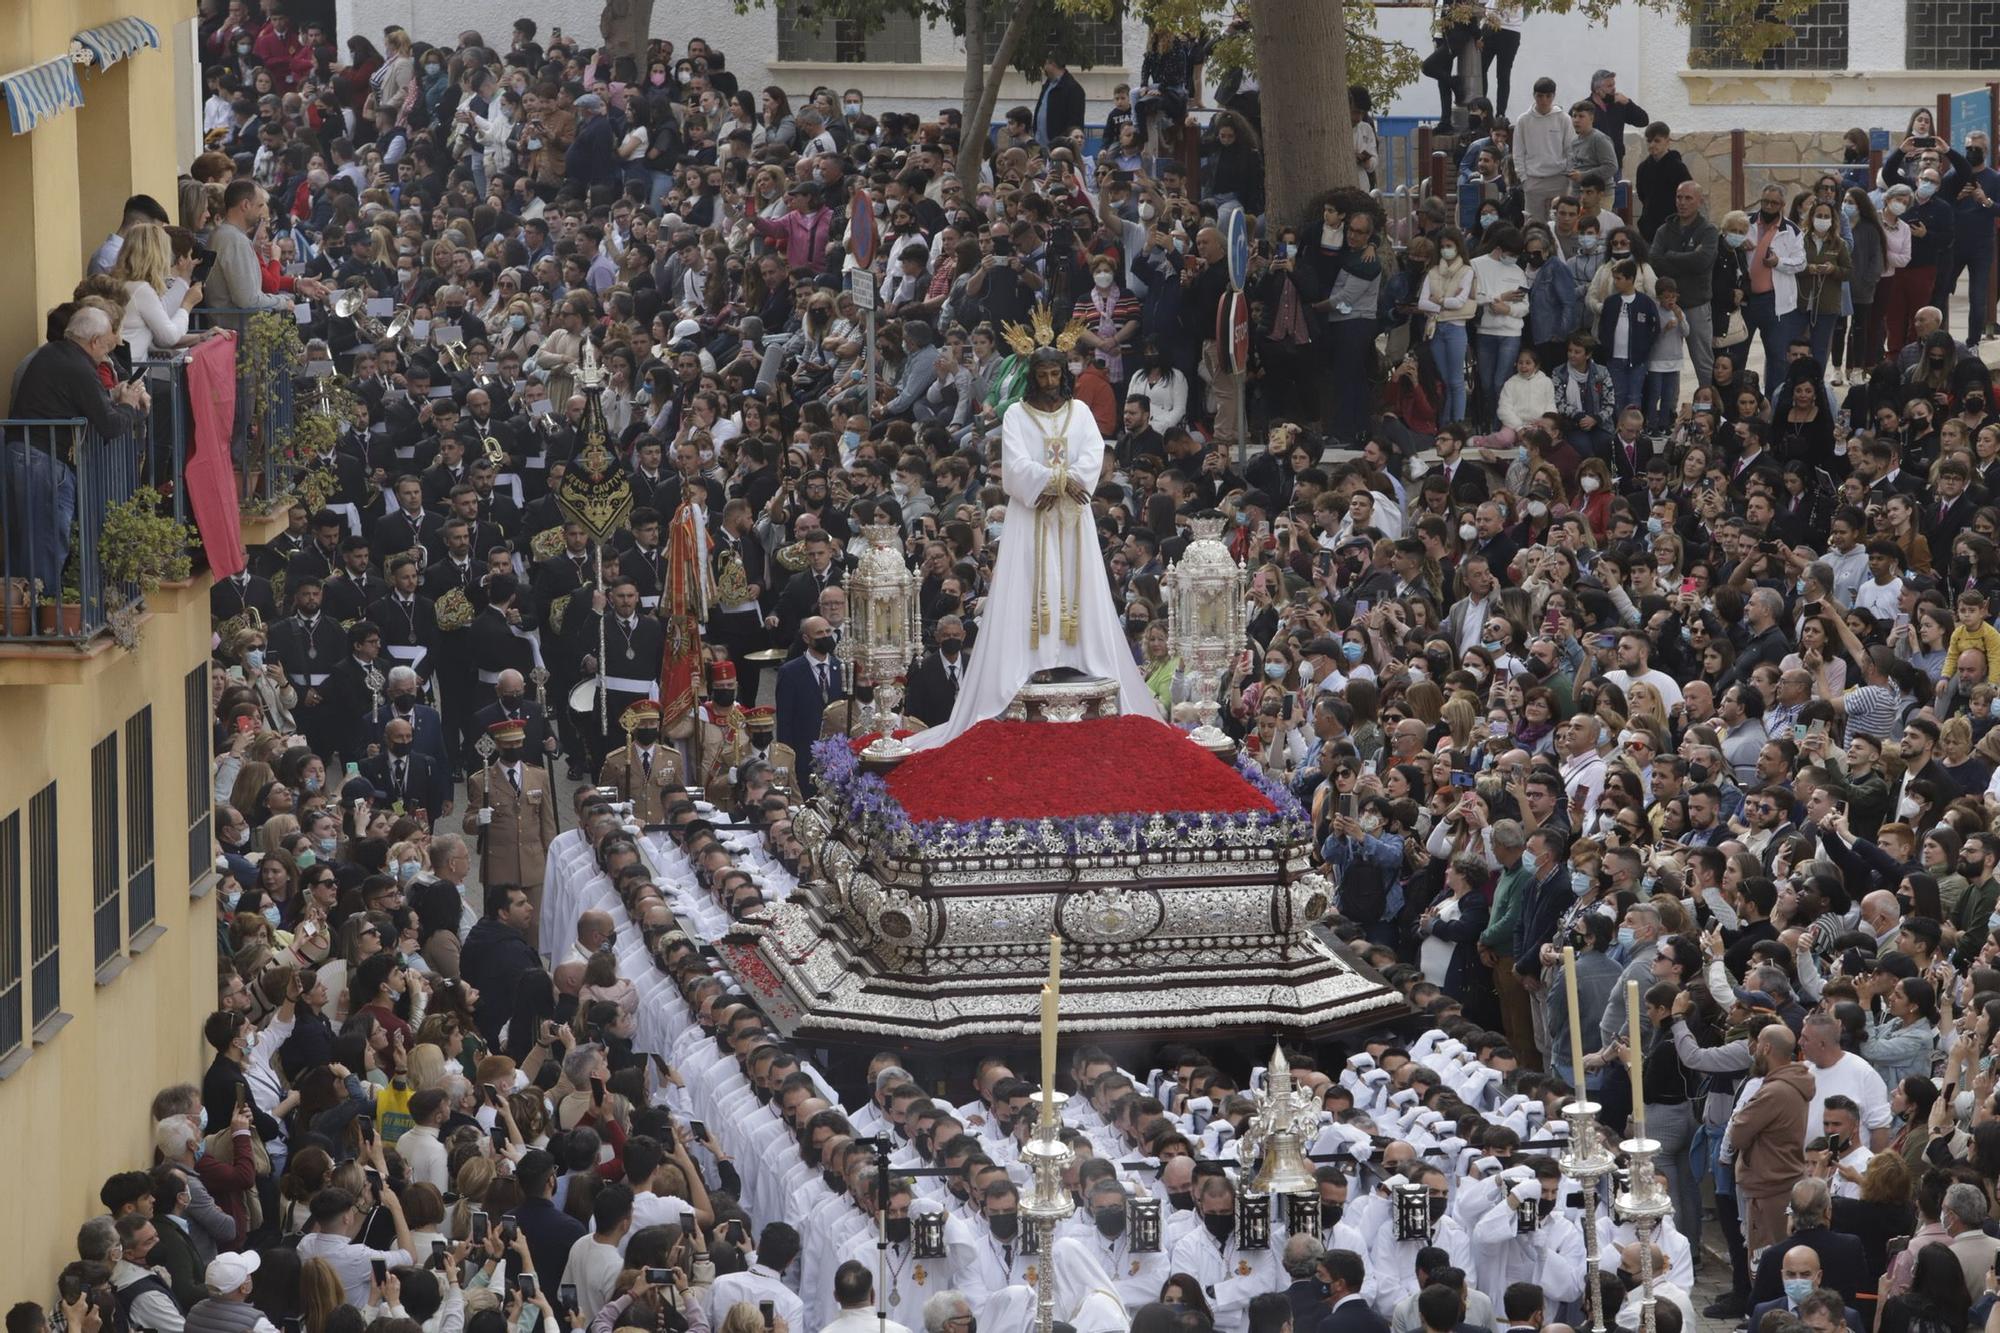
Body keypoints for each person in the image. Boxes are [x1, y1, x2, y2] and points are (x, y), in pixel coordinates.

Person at [908, 347, 1160, 752]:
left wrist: (1069, 481)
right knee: (1030, 581)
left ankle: (1076, 654)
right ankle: (1034, 659)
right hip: (1033, 513)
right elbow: (1015, 465)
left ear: (1063, 374)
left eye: (1053, 374)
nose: (1047, 382)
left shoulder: (1079, 412)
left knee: (1076, 584)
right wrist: (1057, 481)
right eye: (1040, 375)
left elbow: (1093, 455)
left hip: (1071, 517)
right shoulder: (1016, 415)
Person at [7, 305, 150, 594]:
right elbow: (109, 425)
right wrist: (129, 406)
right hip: (45, 461)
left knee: (24, 541)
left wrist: (114, 397)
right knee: (47, 544)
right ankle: (44, 618)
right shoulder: (79, 366)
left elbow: (79, 401)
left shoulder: (51, 354)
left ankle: (26, 616)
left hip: (20, 453)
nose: (106, 355)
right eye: (107, 346)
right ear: (94, 341)